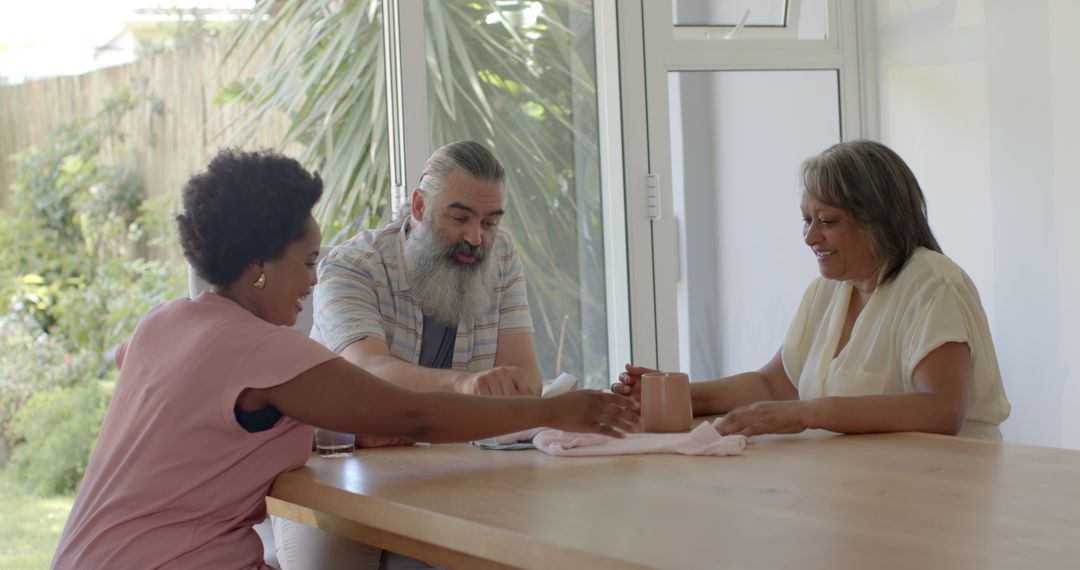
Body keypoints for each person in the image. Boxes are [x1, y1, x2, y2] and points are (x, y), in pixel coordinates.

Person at [50, 150, 638, 570]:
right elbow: (413, 417)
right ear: (258, 265)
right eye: (307, 263)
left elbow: (197, 436)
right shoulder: (265, 349)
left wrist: (340, 430)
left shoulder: (162, 322)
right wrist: (560, 411)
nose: (312, 282)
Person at [614, 140, 1010, 441]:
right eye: (806, 220)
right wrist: (670, 392)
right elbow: (774, 385)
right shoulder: (827, 291)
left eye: (826, 220)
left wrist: (807, 413)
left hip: (946, 492)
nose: (810, 238)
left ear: (879, 220)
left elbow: (941, 410)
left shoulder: (933, 285)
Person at [273, 141, 543, 569]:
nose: (476, 239)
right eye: (460, 218)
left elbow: (523, 380)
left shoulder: (502, 256)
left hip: (453, 469)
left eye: (490, 222)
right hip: (342, 470)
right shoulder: (352, 265)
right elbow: (366, 369)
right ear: (418, 206)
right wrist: (464, 386)